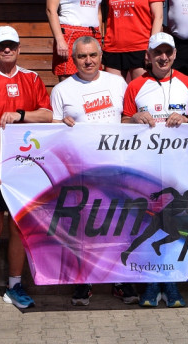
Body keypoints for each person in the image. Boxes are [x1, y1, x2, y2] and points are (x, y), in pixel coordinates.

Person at [0, 26, 52, 318]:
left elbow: (47, 114)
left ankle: (14, 287)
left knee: (19, 228)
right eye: (1, 46)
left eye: (12, 45)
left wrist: (20, 115)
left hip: (25, 169)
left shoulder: (32, 78)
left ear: (19, 48)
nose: (7, 49)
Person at [49, 35, 137, 305]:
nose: (88, 61)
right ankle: (82, 281)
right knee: (82, 228)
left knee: (117, 226)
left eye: (92, 55)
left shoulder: (118, 83)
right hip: (81, 169)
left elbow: (127, 117)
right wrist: (60, 124)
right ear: (73, 60)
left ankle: (120, 280)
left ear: (101, 57)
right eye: (81, 56)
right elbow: (52, 133)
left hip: (115, 165)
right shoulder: (62, 90)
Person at [122, 32, 188, 307]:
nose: (163, 57)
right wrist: (134, 118)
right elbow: (121, 122)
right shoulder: (136, 86)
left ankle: (171, 282)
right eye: (158, 52)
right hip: (145, 169)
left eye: (168, 52)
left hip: (178, 169)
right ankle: (151, 283)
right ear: (149, 55)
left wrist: (187, 118)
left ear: (175, 54)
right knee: (148, 228)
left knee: (174, 228)